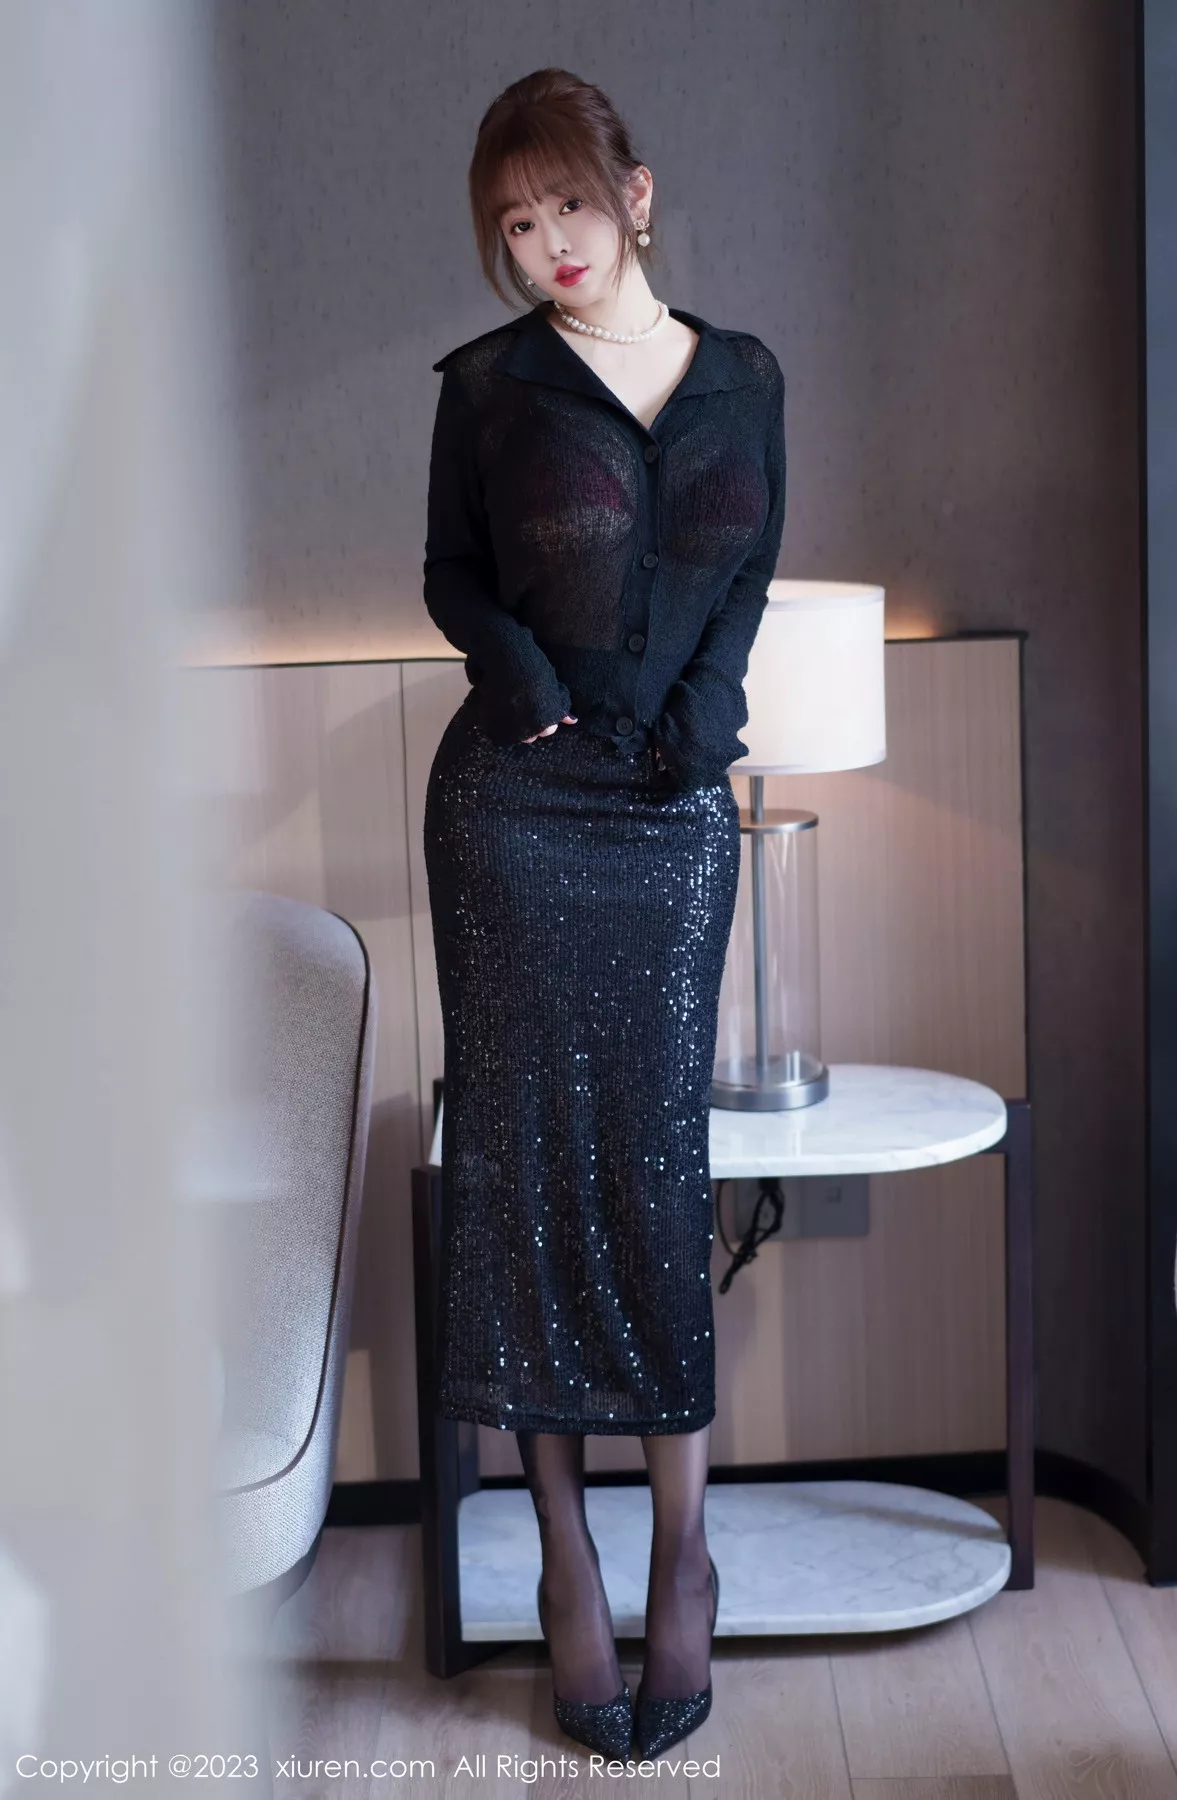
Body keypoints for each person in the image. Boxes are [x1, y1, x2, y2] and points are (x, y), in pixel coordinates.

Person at [421, 66, 786, 1761]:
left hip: (673, 819)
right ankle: (565, 1552)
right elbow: (454, 571)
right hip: (515, 816)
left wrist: (710, 714)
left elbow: (751, 566)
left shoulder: (748, 378)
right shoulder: (487, 390)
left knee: (652, 1169)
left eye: (567, 201)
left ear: (634, 194)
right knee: (522, 1172)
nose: (545, 240)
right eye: (515, 221)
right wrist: (522, 679)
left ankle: (680, 1544)